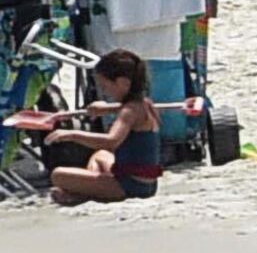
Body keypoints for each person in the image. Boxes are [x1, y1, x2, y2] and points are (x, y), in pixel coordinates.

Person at [39, 49, 166, 205]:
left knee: (58, 175)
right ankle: (91, 191)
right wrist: (107, 108)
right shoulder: (145, 103)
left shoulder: (129, 111)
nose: (105, 92)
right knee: (100, 156)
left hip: (131, 186)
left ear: (122, 82)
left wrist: (71, 135)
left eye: (106, 86)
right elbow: (128, 110)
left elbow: (111, 141)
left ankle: (85, 195)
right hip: (146, 183)